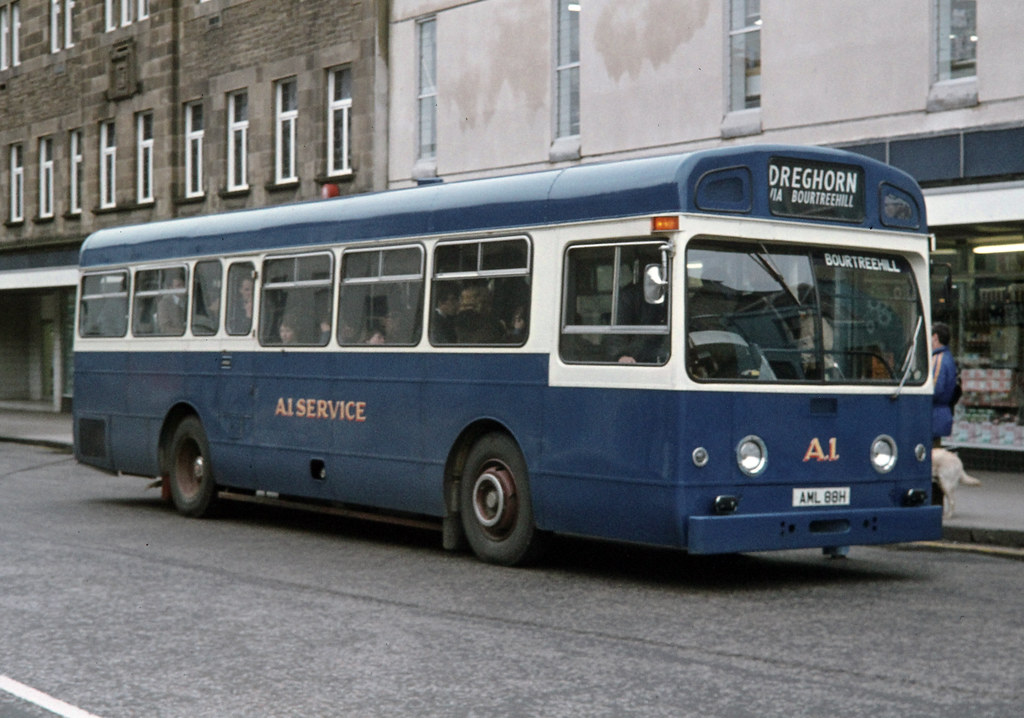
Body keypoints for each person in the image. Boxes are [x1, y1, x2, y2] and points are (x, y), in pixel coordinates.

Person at [931, 321, 957, 447]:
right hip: (940, 414)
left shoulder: (939, 358)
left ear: (935, 337)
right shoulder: (947, 356)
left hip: (934, 415)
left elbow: (935, 388)